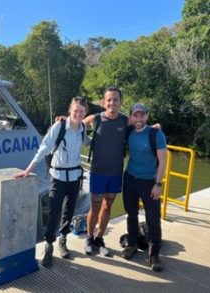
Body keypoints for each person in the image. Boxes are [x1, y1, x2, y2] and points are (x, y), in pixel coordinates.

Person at [14, 97, 89, 267]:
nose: (78, 114)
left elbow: (87, 141)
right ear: (70, 110)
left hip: (75, 176)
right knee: (54, 211)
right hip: (58, 176)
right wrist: (28, 170)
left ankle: (63, 238)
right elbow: (44, 147)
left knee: (69, 210)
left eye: (82, 111)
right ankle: (49, 245)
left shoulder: (82, 128)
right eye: (76, 110)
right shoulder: (59, 126)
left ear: (86, 113)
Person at [81, 86, 127, 257]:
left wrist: (154, 127)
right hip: (98, 172)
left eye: (115, 99)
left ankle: (99, 238)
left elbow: (140, 124)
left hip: (115, 173)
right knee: (94, 206)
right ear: (103, 102)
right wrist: (65, 120)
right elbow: (76, 123)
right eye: (109, 99)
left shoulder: (125, 121)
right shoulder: (95, 119)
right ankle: (89, 238)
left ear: (120, 103)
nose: (112, 103)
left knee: (108, 206)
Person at [121, 103, 167, 272]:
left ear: (147, 116)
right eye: (135, 115)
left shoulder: (156, 134)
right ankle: (132, 244)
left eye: (142, 115)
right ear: (132, 117)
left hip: (149, 182)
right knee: (131, 214)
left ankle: (154, 254)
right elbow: (111, 119)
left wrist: (158, 184)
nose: (138, 119)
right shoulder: (129, 130)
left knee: (153, 218)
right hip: (130, 178)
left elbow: (163, 161)